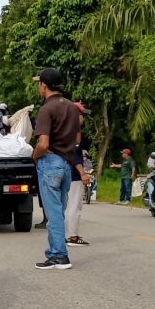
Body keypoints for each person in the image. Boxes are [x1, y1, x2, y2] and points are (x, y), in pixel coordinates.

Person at [31, 68, 81, 270]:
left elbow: (43, 144)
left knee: (53, 214)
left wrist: (34, 158)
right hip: (66, 165)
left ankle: (59, 256)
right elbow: (77, 139)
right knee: (58, 211)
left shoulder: (46, 109)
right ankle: (56, 253)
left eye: (38, 83)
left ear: (43, 85)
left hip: (50, 162)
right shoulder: (71, 107)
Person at [65, 101, 93, 246]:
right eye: (83, 115)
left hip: (64, 171)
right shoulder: (74, 130)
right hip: (73, 173)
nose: (84, 119)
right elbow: (74, 154)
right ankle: (73, 237)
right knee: (75, 206)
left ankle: (67, 235)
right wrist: (82, 173)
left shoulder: (63, 128)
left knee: (68, 205)